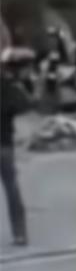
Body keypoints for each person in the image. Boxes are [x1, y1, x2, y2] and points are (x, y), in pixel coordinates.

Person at [0, 42, 34, 246]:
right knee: (11, 187)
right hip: (4, 142)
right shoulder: (8, 87)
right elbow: (23, 106)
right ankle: (19, 233)